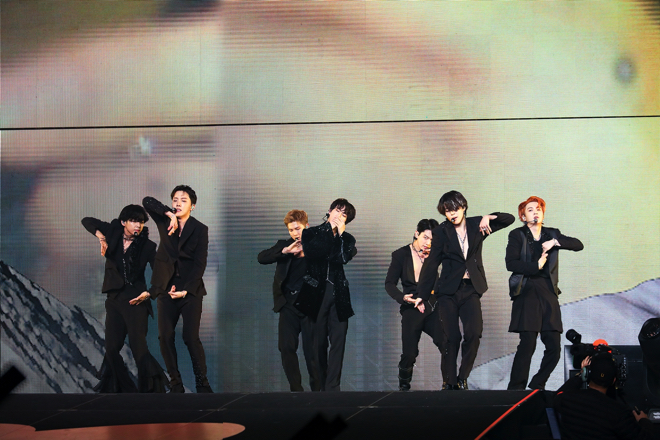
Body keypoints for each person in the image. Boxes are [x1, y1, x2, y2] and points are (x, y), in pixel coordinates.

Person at [417, 190, 514, 390]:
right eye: (447, 211)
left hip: (471, 289)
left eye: (455, 209)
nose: (452, 214)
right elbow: (431, 265)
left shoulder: (477, 225)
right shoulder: (441, 232)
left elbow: (509, 219)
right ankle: (449, 381)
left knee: (474, 333)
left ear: (463, 207)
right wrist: (422, 297)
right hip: (448, 292)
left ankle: (462, 376)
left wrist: (489, 216)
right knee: (451, 338)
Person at [81, 204, 167, 393]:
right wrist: (101, 237)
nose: (138, 225)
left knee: (139, 348)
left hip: (137, 301)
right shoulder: (112, 232)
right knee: (111, 348)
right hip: (114, 300)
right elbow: (87, 221)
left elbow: (161, 275)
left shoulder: (148, 246)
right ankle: (123, 389)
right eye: (134, 221)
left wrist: (150, 293)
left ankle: (149, 391)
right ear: (123, 222)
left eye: (141, 222)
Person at [506, 196, 584, 391]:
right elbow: (511, 263)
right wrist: (536, 265)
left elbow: (578, 244)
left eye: (538, 209)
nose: (535, 212)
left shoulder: (552, 233)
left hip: (548, 291)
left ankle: (537, 385)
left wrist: (555, 242)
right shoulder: (517, 235)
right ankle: (515, 390)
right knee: (527, 344)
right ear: (523, 216)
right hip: (527, 290)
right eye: (530, 210)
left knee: (554, 347)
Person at [142, 185, 212, 393]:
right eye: (175, 200)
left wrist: (186, 290)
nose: (178, 203)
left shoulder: (200, 229)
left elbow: (200, 263)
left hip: (190, 289)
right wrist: (169, 214)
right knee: (165, 336)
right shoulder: (165, 221)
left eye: (184, 200)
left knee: (190, 337)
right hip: (166, 287)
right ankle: (175, 383)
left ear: (193, 206)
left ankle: (202, 383)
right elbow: (147, 201)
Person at [295, 198, 357, 391]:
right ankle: (319, 388)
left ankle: (333, 388)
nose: (339, 216)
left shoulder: (348, 239)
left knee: (338, 343)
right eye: (338, 210)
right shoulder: (310, 233)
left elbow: (342, 257)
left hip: (339, 295)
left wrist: (340, 235)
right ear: (329, 211)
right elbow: (314, 252)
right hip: (316, 295)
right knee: (318, 344)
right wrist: (330, 231)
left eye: (344, 214)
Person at [257, 209, 320, 392]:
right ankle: (296, 390)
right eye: (291, 230)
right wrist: (285, 252)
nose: (295, 233)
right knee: (286, 347)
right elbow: (262, 258)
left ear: (307, 226)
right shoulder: (284, 245)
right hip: (288, 305)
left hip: (309, 306)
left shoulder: (317, 246)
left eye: (298, 229)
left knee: (312, 352)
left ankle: (318, 391)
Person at [385, 218, 448, 391]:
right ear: (416, 234)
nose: (428, 243)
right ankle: (404, 385)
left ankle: (449, 383)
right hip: (411, 307)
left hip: (432, 306)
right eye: (425, 238)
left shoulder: (436, 254)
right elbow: (389, 283)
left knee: (446, 344)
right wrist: (403, 298)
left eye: (432, 240)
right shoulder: (400, 255)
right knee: (410, 353)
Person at [554, 353, 656, 440]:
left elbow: (557, 396)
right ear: (613, 381)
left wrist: (581, 375)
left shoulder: (567, 399)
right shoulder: (619, 412)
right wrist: (644, 421)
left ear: (588, 374)